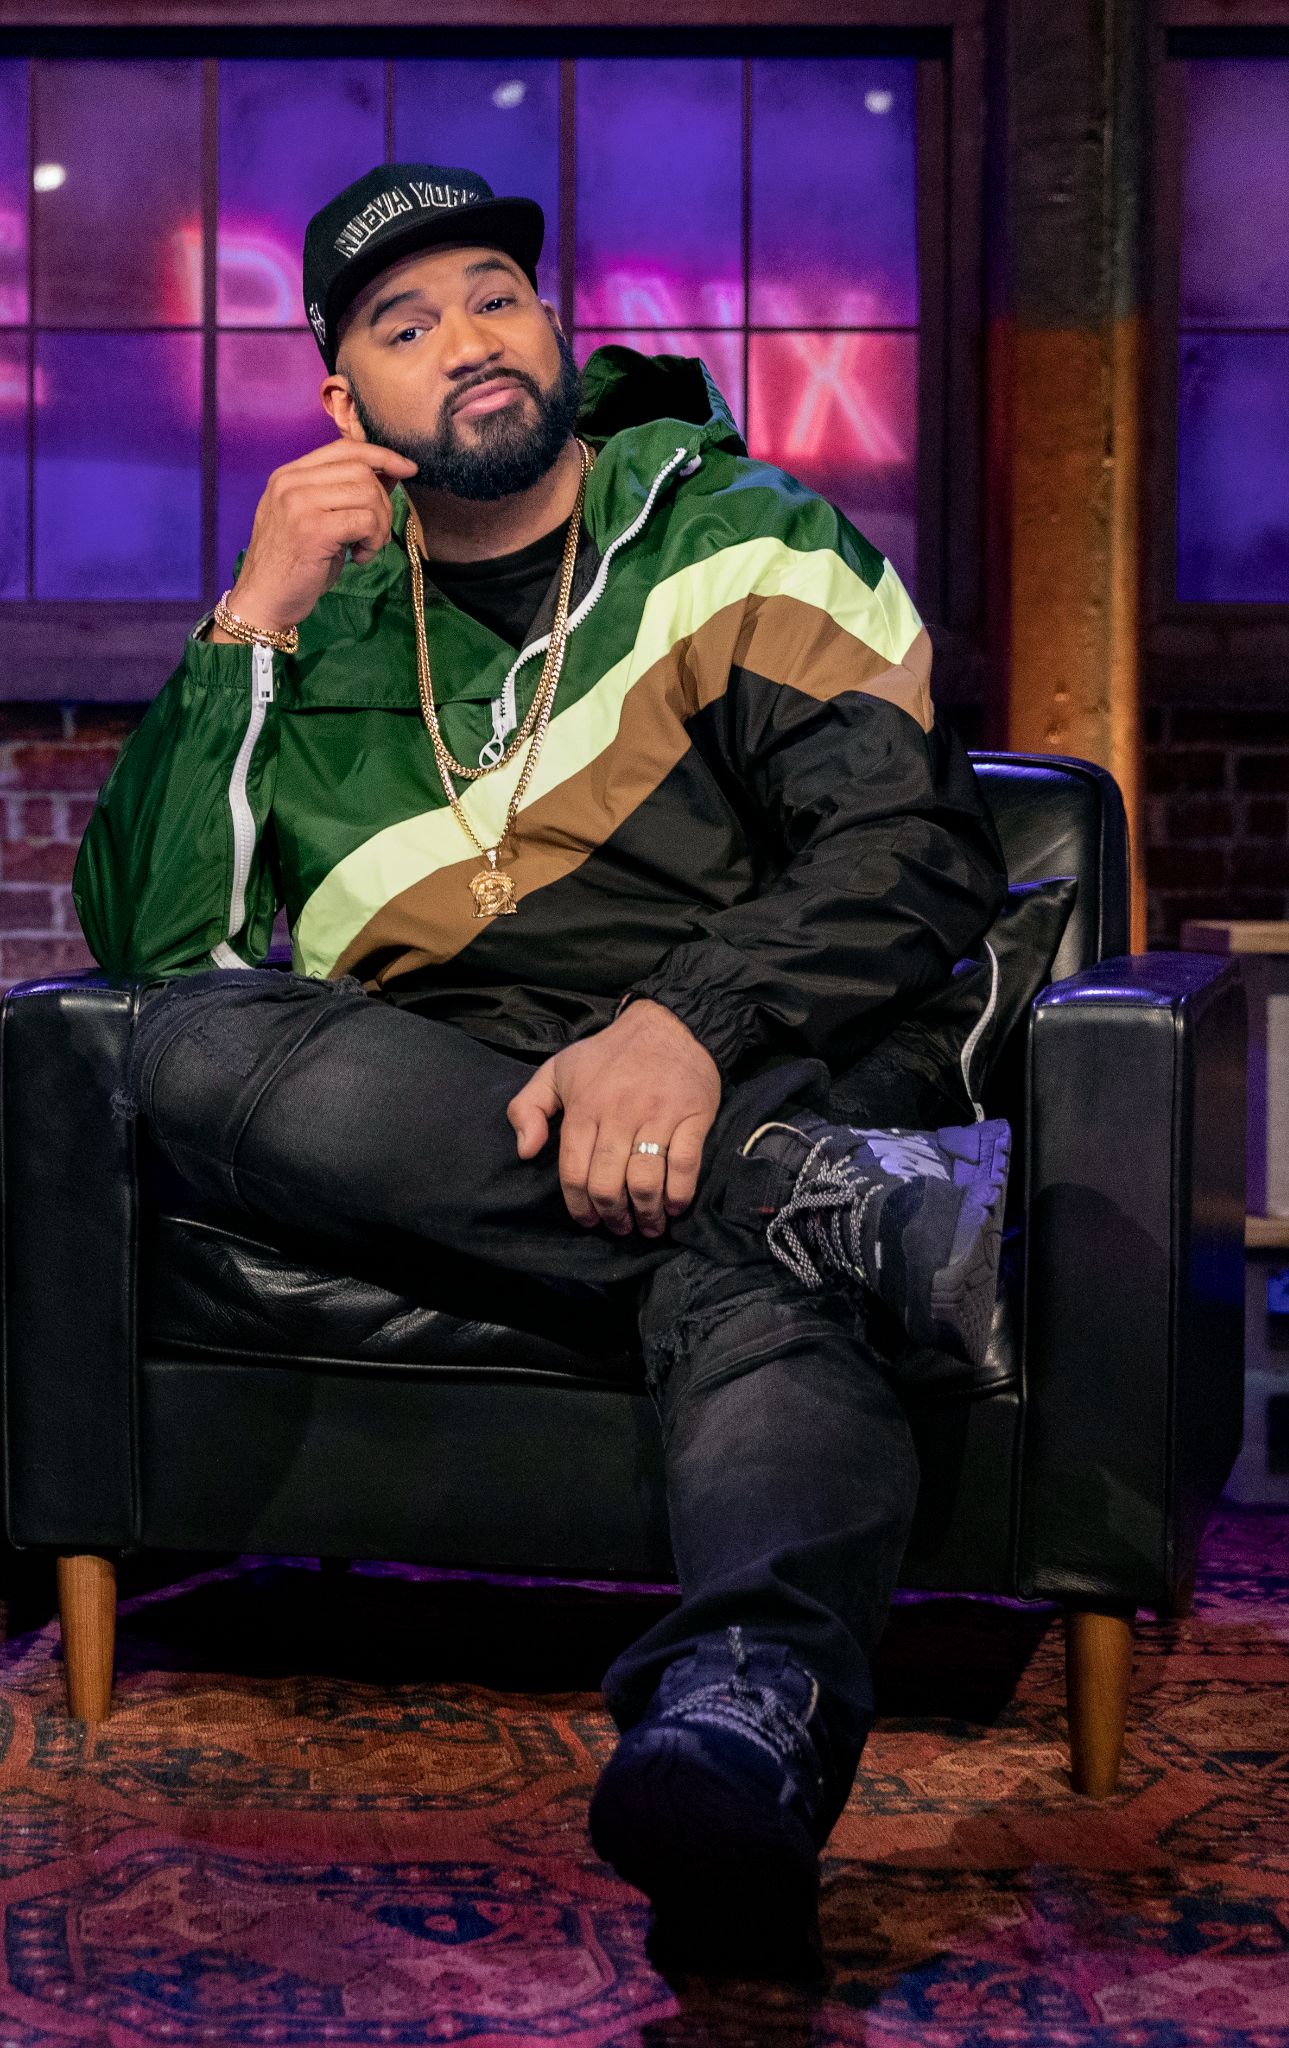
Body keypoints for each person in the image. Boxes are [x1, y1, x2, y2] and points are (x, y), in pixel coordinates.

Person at [74, 163, 1010, 1982]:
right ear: (344, 397)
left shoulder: (734, 534)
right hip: (449, 1092)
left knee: (745, 1271)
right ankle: (813, 1250)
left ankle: (736, 1727)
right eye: (404, 324)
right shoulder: (330, 621)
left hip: (750, 1059)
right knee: (180, 1042)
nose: (468, 342)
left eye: (495, 296)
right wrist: (251, 614)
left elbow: (905, 848)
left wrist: (683, 1025)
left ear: (555, 327)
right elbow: (152, 941)